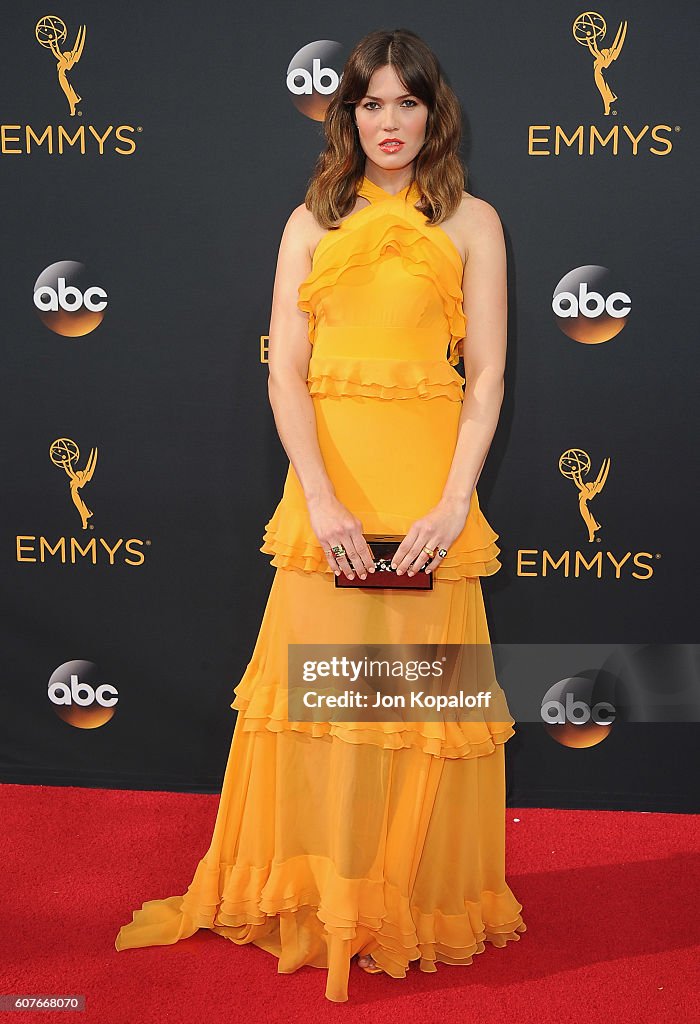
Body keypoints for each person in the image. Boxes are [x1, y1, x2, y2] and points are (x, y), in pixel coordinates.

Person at [114, 27, 527, 1002]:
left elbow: (491, 376)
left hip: (429, 497)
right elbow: (286, 380)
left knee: (418, 709)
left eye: (407, 102)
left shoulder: (475, 222)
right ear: (347, 114)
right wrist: (321, 499)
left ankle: (410, 901)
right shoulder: (309, 223)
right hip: (329, 502)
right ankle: (325, 898)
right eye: (371, 103)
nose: (389, 122)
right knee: (328, 704)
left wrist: (454, 501)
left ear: (435, 112)